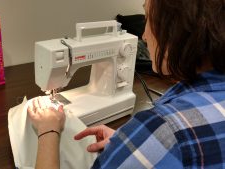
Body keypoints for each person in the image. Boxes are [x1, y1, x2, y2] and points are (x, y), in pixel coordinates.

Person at [27, 0, 225, 168]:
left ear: (177, 30)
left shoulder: (162, 129)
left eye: (147, 18)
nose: (144, 36)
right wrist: (133, 143)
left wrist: (48, 130)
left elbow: (166, 136)